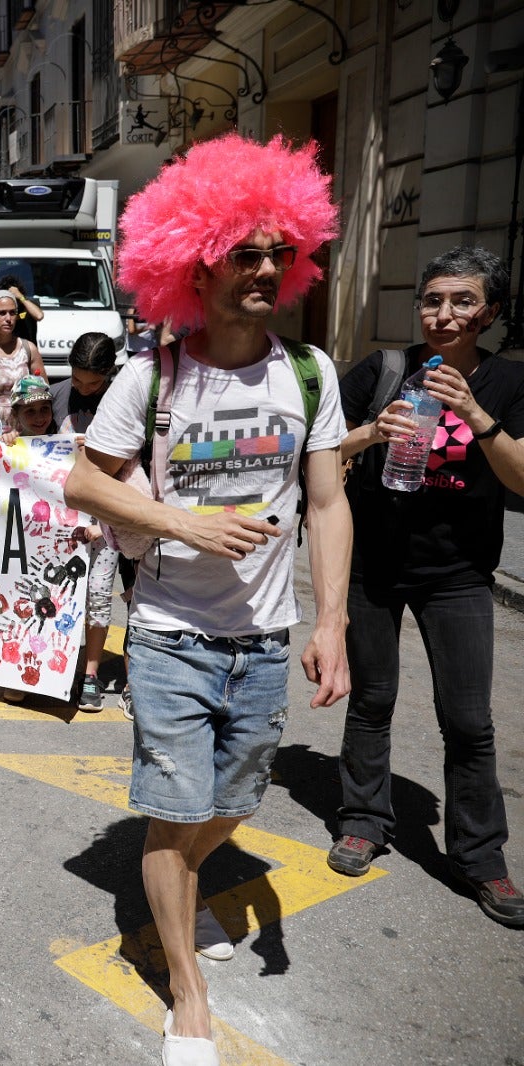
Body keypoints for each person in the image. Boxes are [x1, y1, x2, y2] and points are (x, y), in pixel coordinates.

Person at [62, 133, 350, 1063]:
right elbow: (84, 483)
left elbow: (328, 498)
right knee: (175, 811)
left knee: (238, 802)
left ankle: (176, 882)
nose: (269, 268)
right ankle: (186, 984)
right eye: (246, 252)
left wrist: (333, 621)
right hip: (169, 633)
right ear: (197, 263)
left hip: (265, 637)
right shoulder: (152, 377)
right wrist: (183, 524)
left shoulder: (309, 373)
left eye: (282, 251)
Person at [329, 245, 524, 928]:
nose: (444, 314)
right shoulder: (384, 370)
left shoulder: (508, 383)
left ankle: (481, 857)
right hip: (374, 566)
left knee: (469, 720)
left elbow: (522, 478)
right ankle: (362, 820)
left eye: (463, 301)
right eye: (434, 299)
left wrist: (475, 414)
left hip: (459, 575)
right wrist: (368, 433)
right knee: (373, 699)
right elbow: (321, 452)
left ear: (490, 311)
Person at [51, 333, 125, 713]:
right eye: (77, 379)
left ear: (109, 373)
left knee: (98, 596)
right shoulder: (56, 394)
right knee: (52, 594)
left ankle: (91, 673)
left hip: (106, 519)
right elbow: (34, 440)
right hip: (59, 518)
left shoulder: (124, 398)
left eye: (92, 383)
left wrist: (109, 519)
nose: (83, 388)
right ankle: (56, 668)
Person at [0, 290, 47, 423]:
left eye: (12, 313)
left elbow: (43, 393)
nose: (8, 318)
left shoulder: (29, 349)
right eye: (1, 313)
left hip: (23, 431)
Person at [0, 273, 45, 347]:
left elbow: (39, 316)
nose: (8, 317)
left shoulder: (27, 305)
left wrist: (20, 296)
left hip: (27, 351)